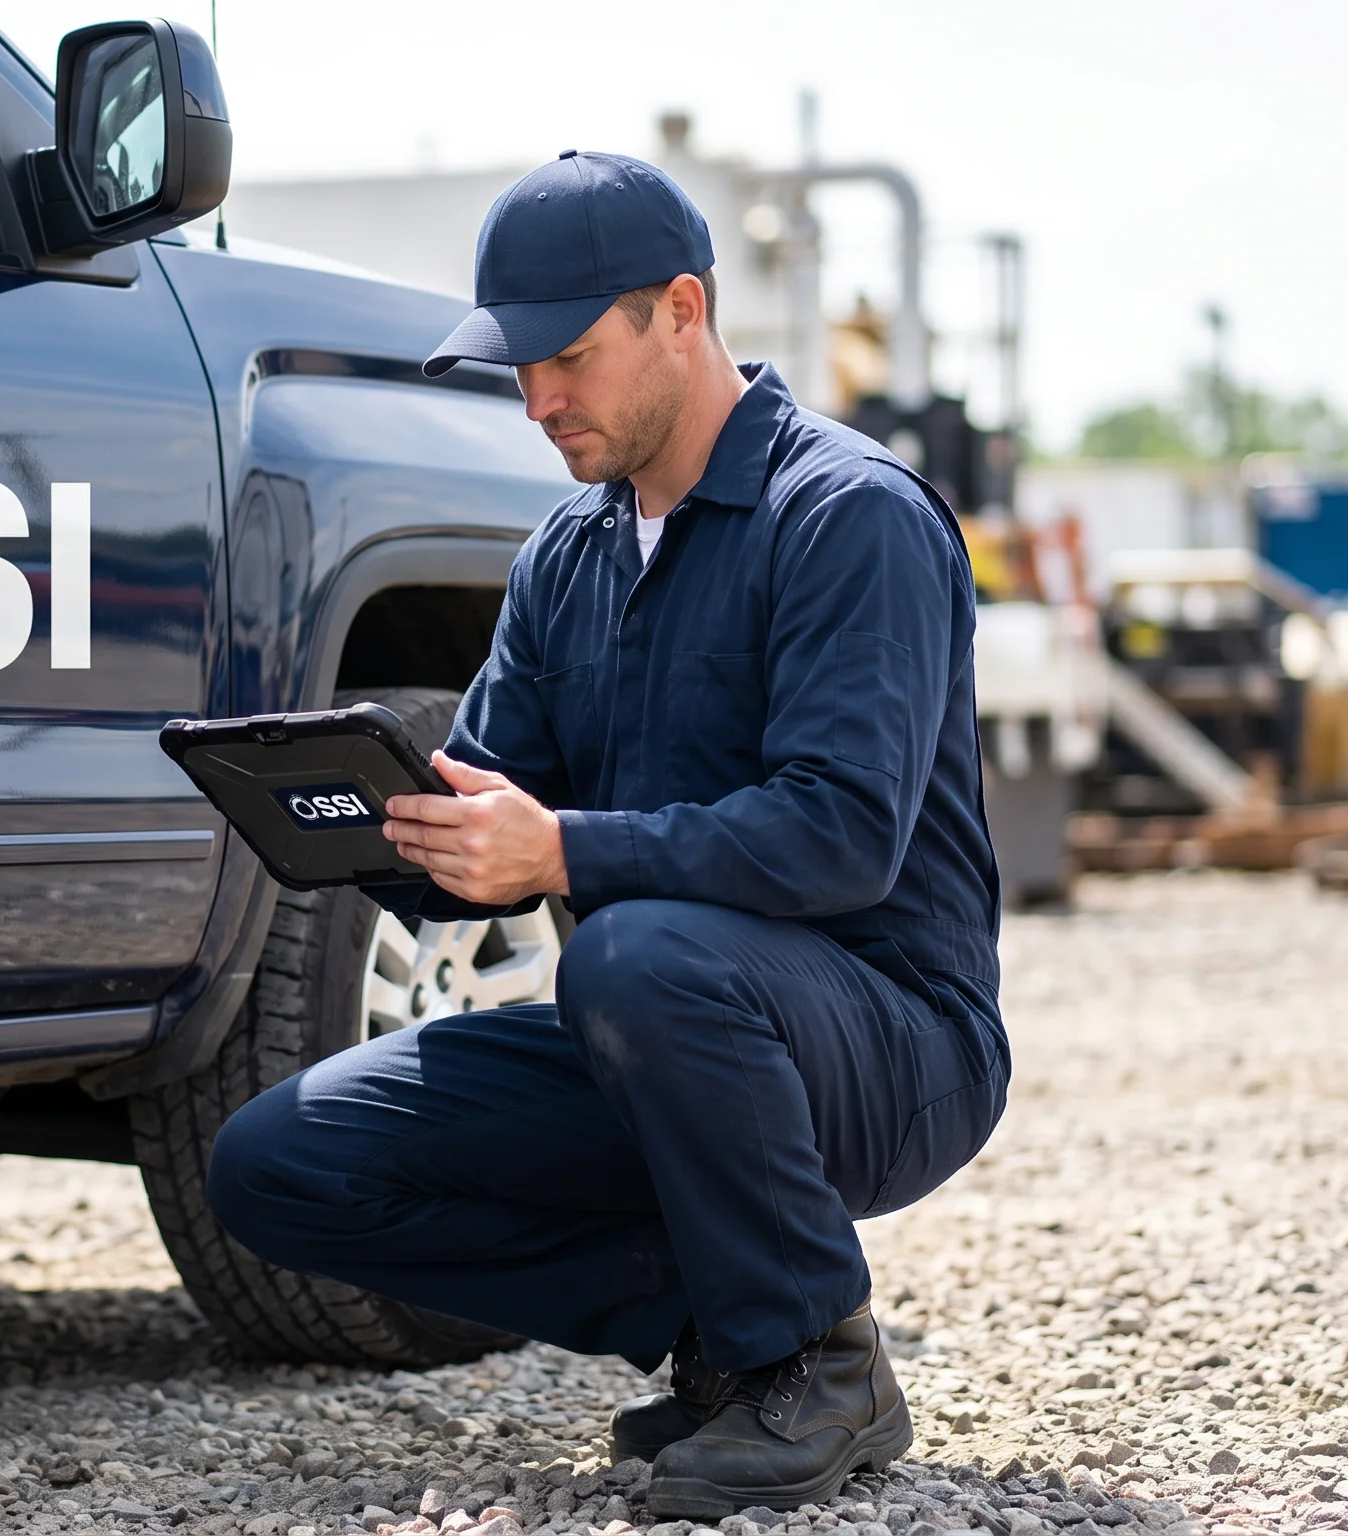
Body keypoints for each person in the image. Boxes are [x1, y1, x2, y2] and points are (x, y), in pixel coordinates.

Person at [203, 151, 1009, 1520]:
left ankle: (818, 1361)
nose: (539, 399)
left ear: (682, 311)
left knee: (629, 955)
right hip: (660, 1036)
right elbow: (497, 819)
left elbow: (843, 837)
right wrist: (389, 828)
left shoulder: (849, 517)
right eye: (518, 365)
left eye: (569, 356)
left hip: (891, 1039)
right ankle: (725, 1328)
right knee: (278, 1166)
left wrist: (559, 855)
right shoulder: (567, 557)